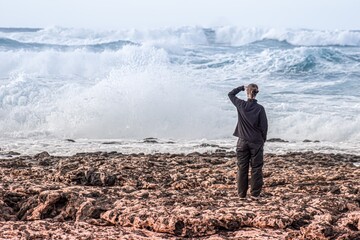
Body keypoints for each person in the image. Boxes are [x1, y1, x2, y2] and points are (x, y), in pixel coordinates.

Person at [228, 84, 268, 199]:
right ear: (257, 93)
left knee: (242, 168)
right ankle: (255, 194)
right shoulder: (260, 108)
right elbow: (264, 127)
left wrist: (241, 87)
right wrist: (262, 140)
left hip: (242, 142)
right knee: (256, 168)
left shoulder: (241, 105)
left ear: (247, 92)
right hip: (256, 142)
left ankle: (242, 195)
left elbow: (230, 94)